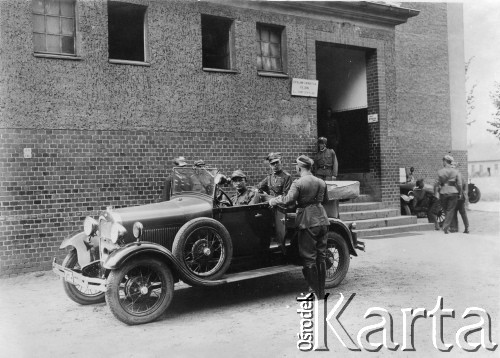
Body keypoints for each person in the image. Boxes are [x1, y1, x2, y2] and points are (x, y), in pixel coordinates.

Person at [269, 155, 330, 298]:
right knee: (321, 256)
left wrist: (273, 200)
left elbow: (287, 200)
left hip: (308, 221)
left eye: (296, 166)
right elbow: (325, 200)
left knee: (309, 257)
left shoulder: (298, 183)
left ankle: (315, 293)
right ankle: (321, 292)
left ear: (299, 167)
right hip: (323, 219)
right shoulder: (321, 181)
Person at [434, 154, 462, 234]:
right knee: (450, 210)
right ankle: (446, 226)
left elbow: (437, 183)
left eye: (443, 161)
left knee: (446, 210)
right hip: (453, 192)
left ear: (445, 162)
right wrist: (460, 193)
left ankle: (447, 226)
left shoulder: (440, 172)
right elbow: (459, 184)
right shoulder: (455, 171)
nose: (442, 162)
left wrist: (436, 193)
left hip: (443, 192)